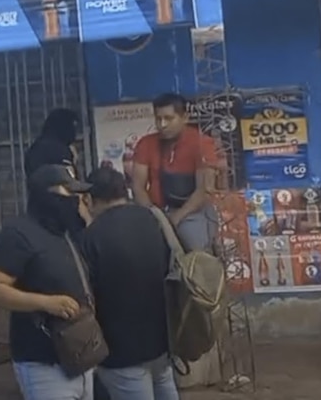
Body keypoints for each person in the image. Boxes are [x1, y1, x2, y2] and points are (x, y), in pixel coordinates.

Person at [0, 164, 95, 400]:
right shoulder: (18, 234)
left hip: (80, 357)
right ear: (47, 195)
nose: (77, 199)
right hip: (43, 364)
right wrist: (46, 303)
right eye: (69, 192)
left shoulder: (66, 232)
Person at [82, 167, 179, 400]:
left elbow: (86, 291)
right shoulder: (154, 219)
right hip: (161, 343)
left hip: (121, 352)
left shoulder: (91, 236)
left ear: (90, 199)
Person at [130, 93, 223, 252]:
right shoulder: (146, 143)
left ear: (185, 117)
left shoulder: (202, 143)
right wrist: (153, 215)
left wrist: (177, 217)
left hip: (192, 212)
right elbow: (138, 187)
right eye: (158, 119)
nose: (162, 125)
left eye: (168, 118)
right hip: (156, 211)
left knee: (195, 250)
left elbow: (205, 190)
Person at [25, 108, 83, 177]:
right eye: (73, 127)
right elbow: (67, 178)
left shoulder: (35, 148)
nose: (75, 133)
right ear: (64, 126)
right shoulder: (59, 150)